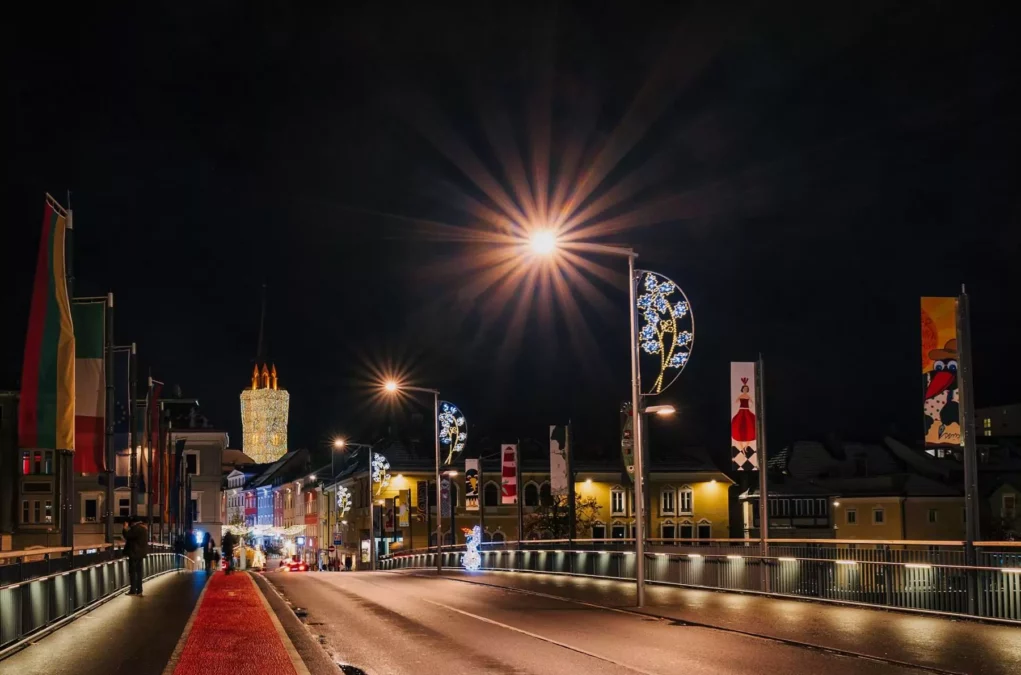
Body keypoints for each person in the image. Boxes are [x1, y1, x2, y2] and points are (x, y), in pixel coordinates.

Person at [122, 518, 149, 596]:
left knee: (133, 572)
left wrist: (124, 528)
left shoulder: (136, 528)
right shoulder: (143, 529)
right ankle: (139, 590)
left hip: (134, 553)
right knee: (139, 572)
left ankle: (133, 590)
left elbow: (127, 535)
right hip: (140, 554)